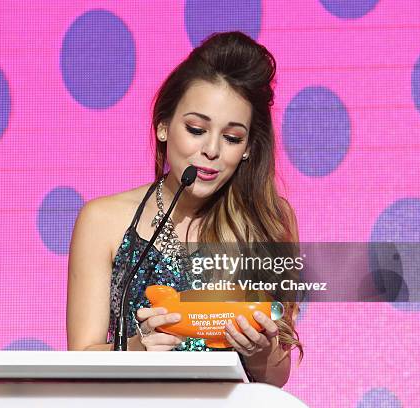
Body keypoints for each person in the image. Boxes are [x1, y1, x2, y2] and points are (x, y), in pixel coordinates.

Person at [67, 31, 302, 387]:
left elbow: (277, 375)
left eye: (232, 137)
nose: (211, 150)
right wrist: (136, 347)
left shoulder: (267, 219)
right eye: (196, 129)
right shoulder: (102, 220)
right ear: (164, 126)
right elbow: (78, 363)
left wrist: (259, 352)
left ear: (249, 148)